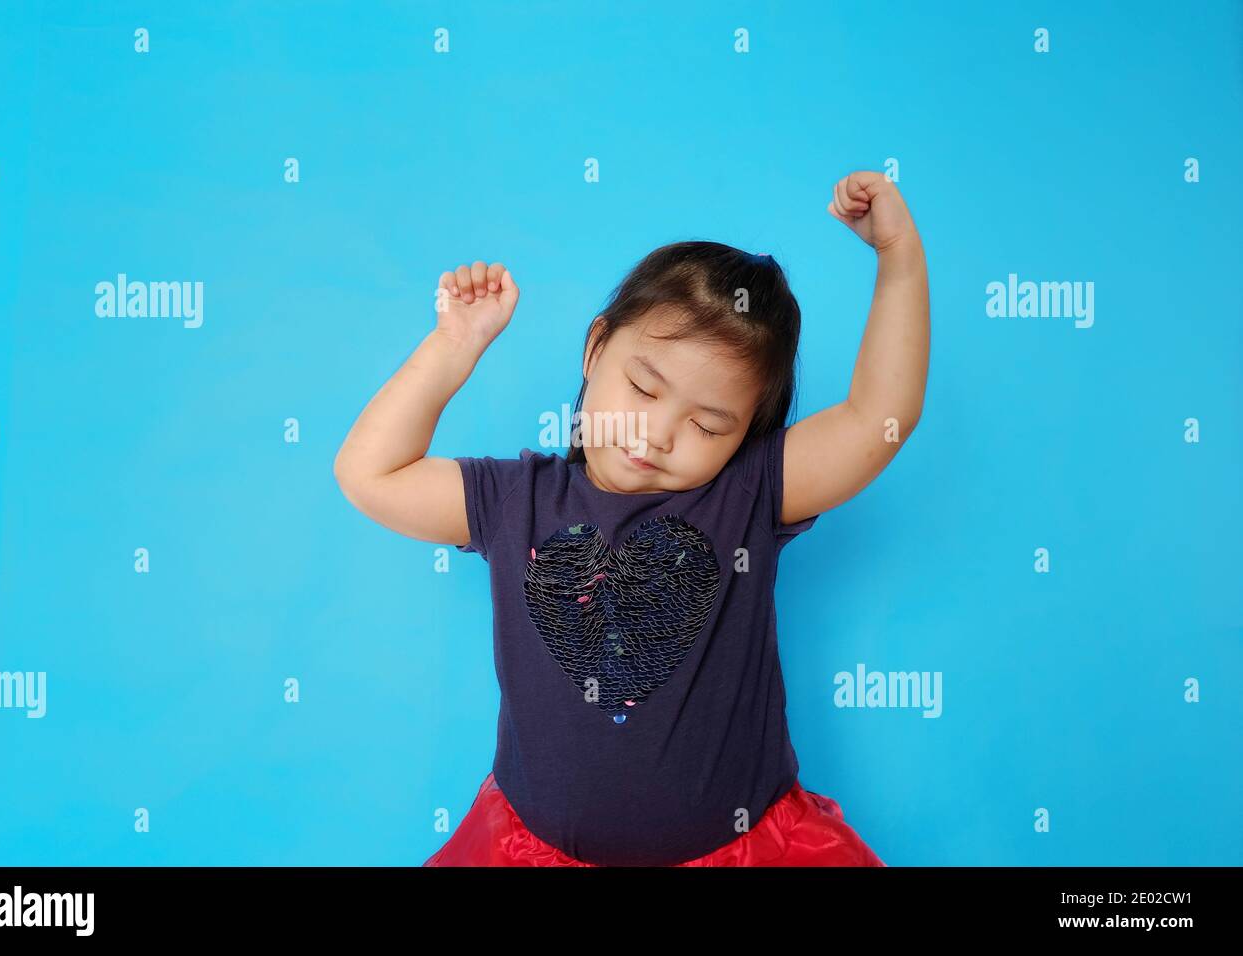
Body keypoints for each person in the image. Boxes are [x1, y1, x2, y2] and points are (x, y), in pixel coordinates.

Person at [334, 170, 928, 866]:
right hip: (534, 850)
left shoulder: (746, 497)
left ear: (746, 439)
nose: (656, 434)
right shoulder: (512, 499)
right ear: (595, 349)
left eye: (709, 425)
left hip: (740, 849)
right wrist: (454, 347)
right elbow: (369, 474)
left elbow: (880, 418)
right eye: (643, 388)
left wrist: (899, 257)